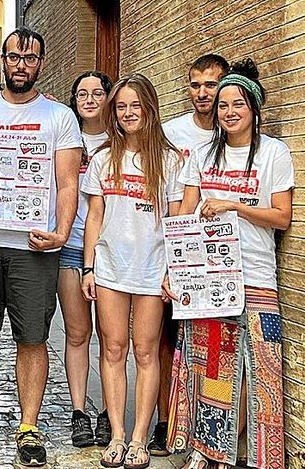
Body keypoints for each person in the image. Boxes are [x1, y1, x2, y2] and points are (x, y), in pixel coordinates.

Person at [0, 27, 82, 468]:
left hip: (34, 246)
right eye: (14, 57)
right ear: (2, 60)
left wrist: (62, 233)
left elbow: (68, 184)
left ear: (40, 63)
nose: (21, 65)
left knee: (33, 337)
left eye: (29, 58)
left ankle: (29, 426)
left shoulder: (59, 117)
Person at [164, 59, 293, 469]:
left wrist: (235, 205)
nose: (229, 112)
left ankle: (261, 458)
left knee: (263, 370)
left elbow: (282, 216)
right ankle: (208, 452)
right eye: (222, 106)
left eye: (238, 104)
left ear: (254, 108)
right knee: (212, 369)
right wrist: (173, 270)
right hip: (207, 280)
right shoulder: (202, 155)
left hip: (256, 276)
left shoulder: (274, 153)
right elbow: (185, 215)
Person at [81, 73, 183, 469]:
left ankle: (141, 436)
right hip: (109, 268)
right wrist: (88, 267)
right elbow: (94, 216)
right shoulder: (105, 158)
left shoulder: (170, 160)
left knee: (145, 352)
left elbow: (176, 219)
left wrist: (173, 270)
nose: (127, 113)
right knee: (112, 349)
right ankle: (118, 435)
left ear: (150, 109)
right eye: (121, 107)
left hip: (151, 268)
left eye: (135, 106)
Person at [151, 54, 229, 457]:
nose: (202, 93)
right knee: (168, 340)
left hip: (222, 258)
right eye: (195, 85)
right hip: (181, 250)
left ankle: (208, 428)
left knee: (213, 344)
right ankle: (166, 422)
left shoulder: (234, 130)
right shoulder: (170, 132)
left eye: (211, 85)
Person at [62, 70, 113, 448]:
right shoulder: (65, 137)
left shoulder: (124, 139)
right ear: (74, 100)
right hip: (71, 246)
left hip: (113, 250)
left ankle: (110, 413)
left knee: (113, 339)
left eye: (98, 93)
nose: (90, 99)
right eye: (83, 93)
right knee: (78, 333)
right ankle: (79, 412)